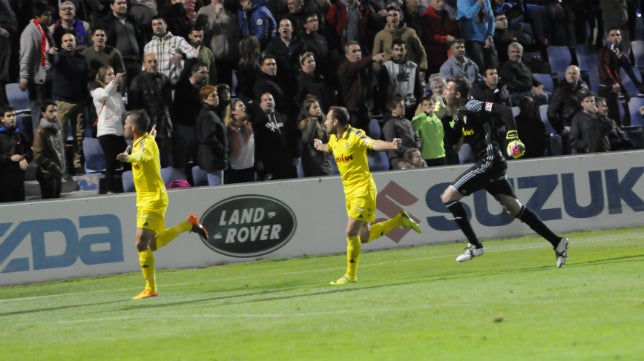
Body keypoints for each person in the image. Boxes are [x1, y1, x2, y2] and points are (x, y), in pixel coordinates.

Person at [439, 76, 569, 267]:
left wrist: (512, 137)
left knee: (448, 197)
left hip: (489, 161)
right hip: (491, 164)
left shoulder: (473, 105)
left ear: (457, 94)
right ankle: (558, 242)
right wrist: (443, 117)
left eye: (447, 90)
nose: (443, 93)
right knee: (514, 208)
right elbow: (451, 140)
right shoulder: (460, 113)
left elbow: (505, 110)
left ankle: (475, 245)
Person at [313, 105, 422, 285]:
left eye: (327, 119)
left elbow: (372, 143)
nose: (324, 122)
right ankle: (399, 220)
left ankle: (350, 275)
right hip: (348, 191)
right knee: (363, 237)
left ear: (336, 121)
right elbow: (331, 148)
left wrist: (390, 145)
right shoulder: (334, 138)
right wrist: (320, 146)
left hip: (363, 189)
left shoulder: (355, 135)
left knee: (350, 231)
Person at [116, 109, 209, 300]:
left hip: (152, 199)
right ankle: (188, 224)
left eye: (126, 123)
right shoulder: (143, 142)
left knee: (140, 243)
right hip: (146, 200)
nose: (124, 126)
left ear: (133, 127)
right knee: (153, 244)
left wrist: (128, 158)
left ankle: (151, 289)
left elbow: (142, 156)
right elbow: (143, 148)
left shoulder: (146, 145)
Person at [49, 32, 89, 176]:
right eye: (65, 41)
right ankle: (62, 166)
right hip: (62, 103)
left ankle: (78, 165)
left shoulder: (82, 59)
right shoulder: (59, 58)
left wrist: (85, 100)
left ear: (75, 42)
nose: (68, 43)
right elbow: (54, 61)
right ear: (61, 44)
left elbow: (85, 80)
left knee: (79, 136)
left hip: (79, 102)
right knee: (61, 136)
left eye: (71, 40)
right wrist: (51, 54)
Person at [128, 53, 174, 167]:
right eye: (149, 62)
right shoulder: (137, 80)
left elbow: (168, 103)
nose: (153, 64)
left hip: (162, 125)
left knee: (163, 159)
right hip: (145, 126)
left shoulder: (164, 79)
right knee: (147, 158)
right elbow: (134, 107)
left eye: (155, 61)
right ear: (144, 64)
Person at [19, 2, 55, 140]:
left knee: (49, 111)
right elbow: (25, 56)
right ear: (37, 16)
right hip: (36, 79)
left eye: (50, 14)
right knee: (38, 112)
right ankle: (38, 143)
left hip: (48, 77)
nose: (49, 17)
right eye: (46, 15)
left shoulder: (46, 30)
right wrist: (24, 78)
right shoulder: (31, 31)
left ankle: (49, 141)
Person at [91, 65, 128, 194]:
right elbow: (106, 93)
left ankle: (129, 185)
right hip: (106, 132)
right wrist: (114, 82)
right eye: (109, 74)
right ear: (102, 77)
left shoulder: (117, 94)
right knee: (111, 161)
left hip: (118, 132)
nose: (113, 76)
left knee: (128, 160)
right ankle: (109, 190)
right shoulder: (98, 92)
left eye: (113, 74)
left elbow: (122, 113)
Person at [338, 41, 384, 129]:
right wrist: (372, 58)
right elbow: (355, 66)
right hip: (351, 111)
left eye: (359, 51)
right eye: (354, 51)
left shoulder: (363, 68)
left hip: (364, 109)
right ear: (347, 55)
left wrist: (369, 105)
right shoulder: (344, 67)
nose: (357, 53)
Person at [252, 92, 299, 180]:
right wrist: (258, 160)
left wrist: (295, 155)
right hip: (268, 163)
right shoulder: (258, 122)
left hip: (286, 161)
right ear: (261, 105)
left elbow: (293, 138)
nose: (268, 101)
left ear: (274, 103)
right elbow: (256, 143)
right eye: (265, 100)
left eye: (270, 99)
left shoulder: (284, 118)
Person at [143, 16, 194, 86]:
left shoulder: (178, 40)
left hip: (174, 85)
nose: (157, 26)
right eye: (154, 24)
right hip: (155, 86)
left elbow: (193, 52)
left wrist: (182, 56)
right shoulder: (148, 46)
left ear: (166, 25)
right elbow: (144, 67)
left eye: (159, 23)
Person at [195, 85, 228, 185]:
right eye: (212, 96)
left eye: (216, 95)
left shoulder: (211, 113)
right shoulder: (208, 115)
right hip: (213, 159)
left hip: (212, 158)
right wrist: (222, 150)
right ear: (205, 100)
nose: (216, 98)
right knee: (217, 192)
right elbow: (209, 137)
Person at [32, 101, 65, 199]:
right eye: (50, 111)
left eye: (55, 111)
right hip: (47, 173)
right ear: (43, 114)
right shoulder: (40, 131)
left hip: (57, 172)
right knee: (50, 205)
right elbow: (37, 154)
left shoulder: (57, 128)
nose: (54, 114)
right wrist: (52, 165)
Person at [499, 42, 547, 107]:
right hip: (515, 94)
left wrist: (540, 85)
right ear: (508, 53)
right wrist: (531, 88)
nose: (516, 54)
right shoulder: (507, 66)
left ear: (521, 53)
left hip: (527, 91)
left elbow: (532, 79)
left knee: (547, 94)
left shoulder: (525, 66)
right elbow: (513, 83)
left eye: (518, 52)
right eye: (513, 52)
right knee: (543, 97)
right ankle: (538, 116)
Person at [0, 106, 32, 203]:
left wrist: (24, 158)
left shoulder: (20, 134)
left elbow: (31, 151)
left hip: (18, 179)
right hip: (3, 180)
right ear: (2, 119)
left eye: (14, 115)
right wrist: (9, 158)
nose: (12, 118)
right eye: (8, 116)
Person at [382, 97, 421, 169]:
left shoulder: (408, 122)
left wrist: (417, 148)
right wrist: (409, 152)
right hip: (399, 158)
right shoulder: (390, 124)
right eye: (401, 106)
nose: (404, 108)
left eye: (404, 106)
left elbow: (416, 136)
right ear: (393, 109)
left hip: (413, 155)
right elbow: (392, 144)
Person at [298, 96, 331, 176]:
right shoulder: (306, 123)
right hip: (312, 162)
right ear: (308, 111)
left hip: (324, 161)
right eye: (314, 107)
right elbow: (306, 139)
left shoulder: (323, 122)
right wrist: (313, 121)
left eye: (318, 107)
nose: (318, 109)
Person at [225, 99, 256, 183]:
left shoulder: (249, 126)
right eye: (240, 106)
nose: (244, 107)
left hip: (250, 168)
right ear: (233, 112)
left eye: (244, 105)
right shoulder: (229, 129)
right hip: (234, 170)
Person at [412, 96, 446, 166]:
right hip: (427, 157)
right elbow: (414, 126)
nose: (428, 107)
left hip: (441, 155)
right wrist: (425, 114)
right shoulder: (421, 118)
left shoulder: (438, 118)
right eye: (425, 105)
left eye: (430, 104)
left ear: (434, 105)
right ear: (422, 107)